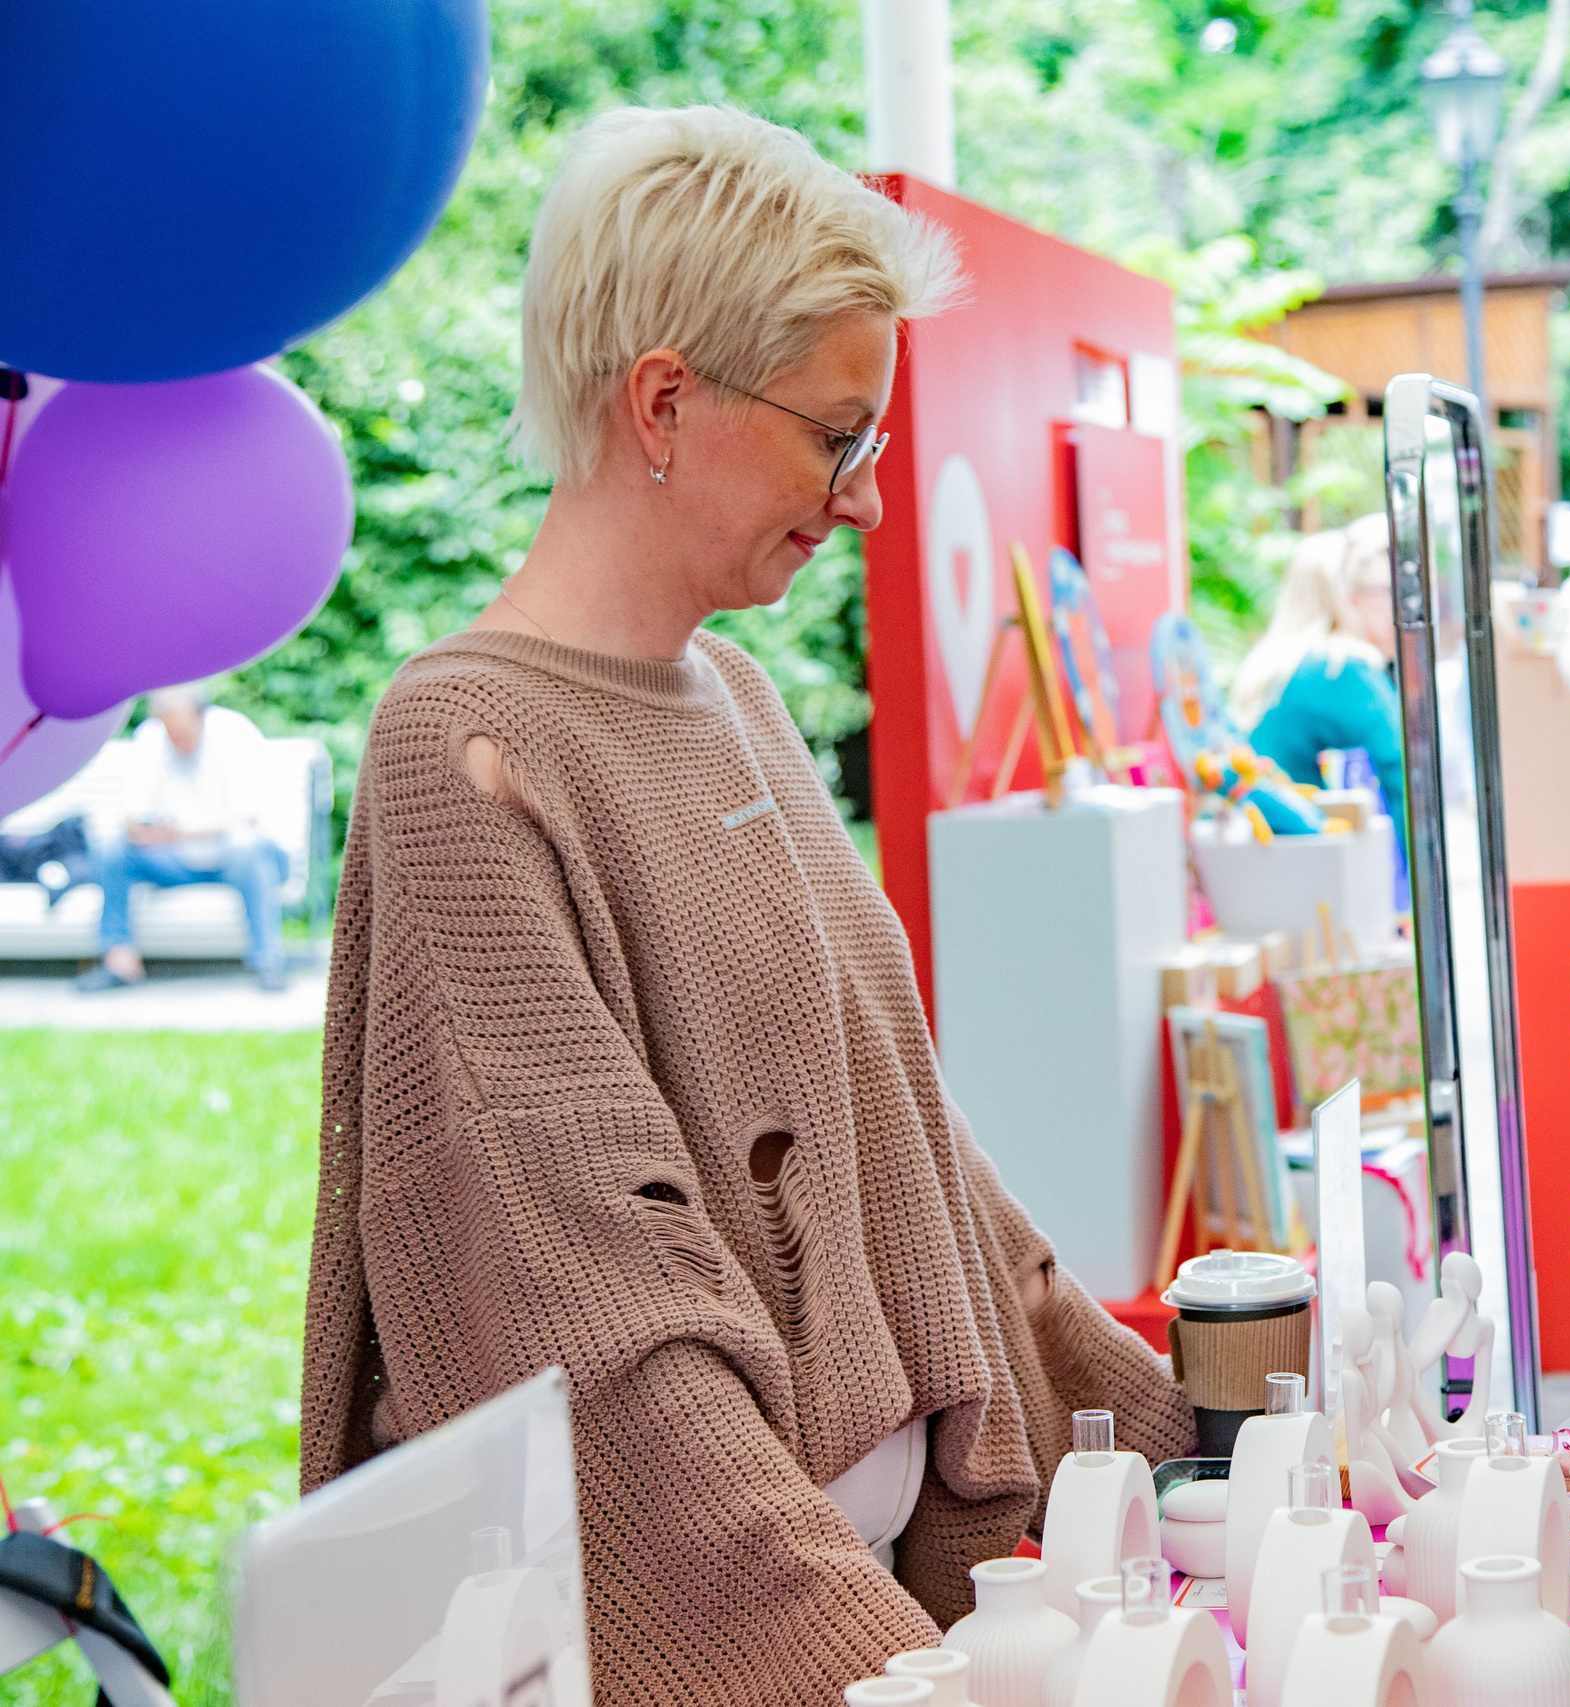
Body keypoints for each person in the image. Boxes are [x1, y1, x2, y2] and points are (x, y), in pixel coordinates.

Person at [300, 106, 1193, 1701]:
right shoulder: (470, 747)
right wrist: (886, 1671)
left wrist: (1189, 1428)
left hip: (868, 1608)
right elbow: (593, 1315)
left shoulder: (744, 695)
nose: (858, 497)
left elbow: (908, 1151)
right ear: (663, 400)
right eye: (836, 434)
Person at [76, 685, 290, 993]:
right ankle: (119, 961)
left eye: (182, 730)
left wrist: (183, 831)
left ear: (200, 715)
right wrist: (143, 829)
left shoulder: (233, 731)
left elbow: (249, 814)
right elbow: (131, 812)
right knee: (112, 850)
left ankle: (268, 961)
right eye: (170, 730)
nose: (177, 738)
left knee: (249, 849)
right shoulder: (151, 736)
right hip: (175, 858)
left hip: (235, 857)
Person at [1229, 513, 1407, 844]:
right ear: (1348, 597)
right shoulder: (1344, 667)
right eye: (1384, 591)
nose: (1394, 606)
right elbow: (1405, 774)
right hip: (1319, 870)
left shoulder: (1266, 663)